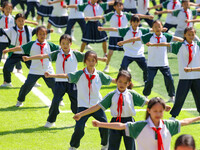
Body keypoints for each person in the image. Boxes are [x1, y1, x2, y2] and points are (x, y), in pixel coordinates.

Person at [22, 34, 107, 127]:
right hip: (59, 83)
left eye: (67, 43)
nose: (65, 45)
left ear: (71, 44)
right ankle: (50, 121)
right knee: (55, 101)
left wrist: (101, 59)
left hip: (73, 83)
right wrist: (29, 58)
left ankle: (79, 120)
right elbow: (43, 56)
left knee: (76, 103)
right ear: (60, 44)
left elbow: (89, 57)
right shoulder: (57, 54)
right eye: (63, 43)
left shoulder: (75, 54)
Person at [73, 70, 166, 150]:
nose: (122, 84)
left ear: (129, 83)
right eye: (120, 81)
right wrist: (81, 114)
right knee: (113, 147)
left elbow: (148, 102)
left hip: (129, 122)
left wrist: (163, 107)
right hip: (115, 122)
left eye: (125, 83)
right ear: (116, 81)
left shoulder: (132, 94)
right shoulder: (111, 95)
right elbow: (97, 107)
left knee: (131, 147)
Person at [44, 50, 116, 150]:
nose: (91, 62)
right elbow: (66, 75)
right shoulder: (79, 74)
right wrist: (51, 75)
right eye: (89, 60)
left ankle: (105, 145)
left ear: (96, 62)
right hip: (82, 106)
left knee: (104, 126)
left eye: (93, 60)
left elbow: (113, 80)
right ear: (85, 61)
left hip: (97, 106)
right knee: (79, 129)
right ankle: (73, 146)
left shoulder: (100, 75)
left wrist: (125, 81)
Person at [92, 97, 200, 150]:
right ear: (149, 110)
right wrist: (101, 124)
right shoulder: (140, 126)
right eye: (155, 111)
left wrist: (198, 117)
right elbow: (121, 126)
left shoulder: (168, 125)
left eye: (160, 111)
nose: (158, 113)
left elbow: (183, 122)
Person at [117, 20, 183, 102]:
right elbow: (135, 38)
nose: (157, 28)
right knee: (149, 81)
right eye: (155, 27)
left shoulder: (166, 36)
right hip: (152, 64)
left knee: (169, 79)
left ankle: (172, 96)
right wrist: (123, 42)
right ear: (152, 28)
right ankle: (145, 95)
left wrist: (186, 41)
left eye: (159, 26)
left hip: (164, 63)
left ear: (162, 27)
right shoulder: (149, 36)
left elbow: (177, 39)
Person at [85, 1, 154, 73]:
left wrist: (147, 16)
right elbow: (101, 16)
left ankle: (127, 66)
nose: (119, 7)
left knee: (127, 52)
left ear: (122, 7)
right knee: (110, 52)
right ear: (114, 7)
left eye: (120, 5)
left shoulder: (126, 15)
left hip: (124, 36)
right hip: (113, 35)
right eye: (117, 6)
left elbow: (137, 15)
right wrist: (90, 18)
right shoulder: (111, 15)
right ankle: (107, 65)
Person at [146, 27, 200, 119]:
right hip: (185, 76)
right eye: (189, 34)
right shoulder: (179, 46)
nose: (191, 36)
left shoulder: (198, 45)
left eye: (192, 34)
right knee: (180, 97)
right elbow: (166, 44)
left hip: (197, 76)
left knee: (199, 96)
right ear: (184, 35)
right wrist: (153, 44)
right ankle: (173, 116)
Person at [3, 26, 60, 107]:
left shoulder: (50, 45)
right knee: (27, 86)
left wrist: (73, 51)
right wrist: (9, 50)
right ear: (36, 34)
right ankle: (20, 100)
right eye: (40, 34)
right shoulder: (32, 44)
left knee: (55, 85)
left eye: (44, 34)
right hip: (35, 70)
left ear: (46, 35)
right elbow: (20, 47)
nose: (42, 36)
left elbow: (61, 49)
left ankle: (59, 100)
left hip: (47, 70)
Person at [98, 15, 155, 82]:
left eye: (137, 22)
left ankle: (146, 82)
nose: (135, 24)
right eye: (134, 22)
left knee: (146, 68)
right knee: (123, 68)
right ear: (131, 22)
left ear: (139, 22)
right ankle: (118, 80)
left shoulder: (142, 30)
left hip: (139, 54)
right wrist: (103, 29)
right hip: (128, 54)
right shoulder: (126, 30)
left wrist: (162, 29)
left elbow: (152, 30)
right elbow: (115, 29)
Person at [0, 13, 52, 87]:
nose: (21, 22)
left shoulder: (29, 29)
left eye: (22, 21)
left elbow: (39, 30)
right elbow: (2, 31)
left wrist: (49, 31)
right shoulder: (11, 30)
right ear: (15, 21)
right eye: (19, 21)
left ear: (25, 21)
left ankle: (34, 82)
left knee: (34, 67)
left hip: (27, 53)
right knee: (7, 67)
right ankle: (7, 82)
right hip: (15, 53)